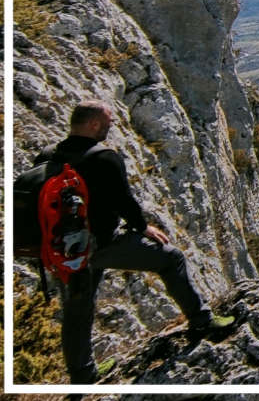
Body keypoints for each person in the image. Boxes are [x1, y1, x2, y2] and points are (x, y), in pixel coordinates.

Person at [35, 99, 234, 384]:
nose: (112, 124)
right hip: (101, 244)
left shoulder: (47, 155)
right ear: (94, 124)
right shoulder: (103, 157)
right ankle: (201, 321)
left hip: (64, 250)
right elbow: (124, 201)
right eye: (108, 121)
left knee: (76, 311)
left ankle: (82, 375)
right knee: (171, 258)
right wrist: (143, 228)